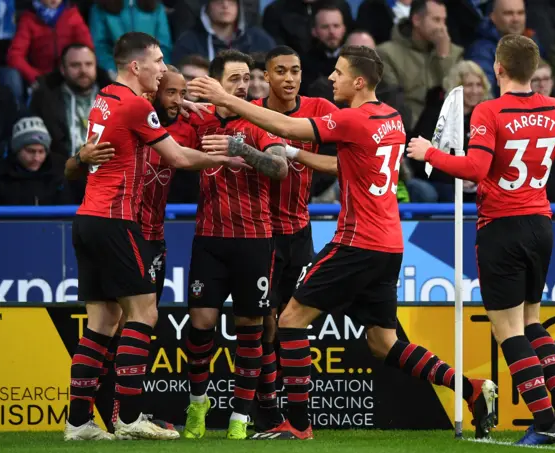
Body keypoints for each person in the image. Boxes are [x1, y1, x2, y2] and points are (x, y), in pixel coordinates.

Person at [189, 44, 497, 441]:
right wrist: (298, 152)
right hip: (389, 244)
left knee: (289, 320)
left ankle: (297, 426)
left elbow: (284, 126)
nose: (330, 78)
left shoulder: (354, 120)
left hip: (356, 241)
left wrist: (225, 99)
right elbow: (342, 162)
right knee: (384, 343)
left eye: (337, 72)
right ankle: (470, 389)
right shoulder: (393, 118)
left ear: (357, 80)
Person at [407, 34, 555, 445]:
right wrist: (546, 149)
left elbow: (474, 169)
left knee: (508, 330)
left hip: (502, 226)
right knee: (532, 320)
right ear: (534, 68)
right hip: (540, 225)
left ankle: (543, 420)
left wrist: (428, 152)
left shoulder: (490, 111)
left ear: (498, 68)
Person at [63, 31, 246, 442]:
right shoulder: (133, 104)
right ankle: (129, 417)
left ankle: (78, 423)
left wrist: (190, 103)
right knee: (143, 314)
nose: (162, 69)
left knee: (102, 321)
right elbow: (178, 157)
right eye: (158, 61)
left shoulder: (105, 97)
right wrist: (226, 157)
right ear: (136, 66)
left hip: (88, 218)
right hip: (116, 220)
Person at [181, 49, 288, 441]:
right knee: (201, 324)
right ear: (215, 84)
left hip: (254, 240)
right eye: (235, 79)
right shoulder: (200, 120)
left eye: (247, 78)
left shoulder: (260, 121)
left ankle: (240, 417)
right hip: (209, 238)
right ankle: (197, 405)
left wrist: (239, 149)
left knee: (250, 327)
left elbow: (280, 167)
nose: (244, 85)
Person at [246, 45, 338, 432]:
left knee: (293, 322)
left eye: (295, 70)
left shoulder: (319, 109)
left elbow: (351, 156)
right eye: (280, 70)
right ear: (266, 77)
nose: (289, 78)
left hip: (299, 232)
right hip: (260, 233)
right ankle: (269, 410)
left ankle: (298, 416)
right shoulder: (251, 111)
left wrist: (300, 155)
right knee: (265, 323)